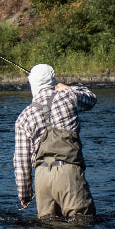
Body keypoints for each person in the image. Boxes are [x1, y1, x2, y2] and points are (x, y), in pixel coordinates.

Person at [13, 63, 97, 218]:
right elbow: (91, 98)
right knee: (81, 224)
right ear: (53, 80)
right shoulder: (68, 96)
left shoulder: (23, 117)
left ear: (32, 84)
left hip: (42, 179)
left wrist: (25, 194)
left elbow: (21, 162)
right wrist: (67, 88)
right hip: (68, 172)